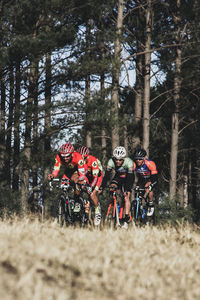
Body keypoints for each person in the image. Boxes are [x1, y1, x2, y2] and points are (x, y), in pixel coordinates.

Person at [100, 146, 135, 229]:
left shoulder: (129, 162)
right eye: (116, 159)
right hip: (118, 177)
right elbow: (106, 176)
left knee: (126, 196)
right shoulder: (111, 162)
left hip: (128, 177)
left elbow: (130, 178)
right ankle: (113, 205)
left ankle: (126, 216)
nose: (118, 161)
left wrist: (127, 189)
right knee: (112, 187)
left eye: (120, 160)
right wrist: (102, 187)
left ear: (124, 158)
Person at [77, 146, 103, 226]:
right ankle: (84, 205)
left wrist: (91, 187)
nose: (83, 161)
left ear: (87, 156)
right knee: (81, 186)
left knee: (92, 194)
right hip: (87, 176)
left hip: (97, 176)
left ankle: (97, 211)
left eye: (84, 158)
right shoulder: (80, 161)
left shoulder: (93, 160)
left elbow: (95, 178)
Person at [133, 148, 158, 217]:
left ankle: (150, 204)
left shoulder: (150, 163)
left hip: (150, 179)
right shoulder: (134, 164)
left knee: (149, 190)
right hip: (141, 179)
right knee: (137, 191)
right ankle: (138, 207)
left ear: (144, 158)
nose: (138, 161)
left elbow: (155, 178)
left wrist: (151, 184)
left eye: (140, 159)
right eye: (136, 159)